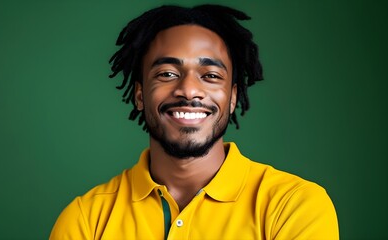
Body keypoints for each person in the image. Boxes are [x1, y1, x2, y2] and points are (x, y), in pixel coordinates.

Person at [50, 4, 339, 239]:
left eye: (211, 76)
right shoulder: (86, 220)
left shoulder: (293, 206)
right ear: (140, 95)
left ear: (233, 97)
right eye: (167, 74)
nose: (188, 90)